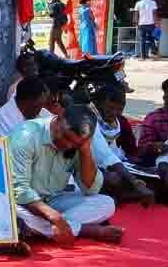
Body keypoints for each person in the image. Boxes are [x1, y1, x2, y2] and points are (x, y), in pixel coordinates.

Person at [8, 104, 122, 244]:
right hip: (24, 204)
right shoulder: (26, 136)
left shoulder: (78, 143)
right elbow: (19, 190)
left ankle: (45, 229)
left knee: (107, 203)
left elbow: (90, 189)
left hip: (55, 200)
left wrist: (85, 150)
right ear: (59, 119)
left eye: (75, 143)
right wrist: (54, 217)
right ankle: (82, 230)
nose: (68, 145)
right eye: (66, 137)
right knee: (11, 213)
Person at [88, 84, 153, 205]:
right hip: (88, 166)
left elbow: (131, 151)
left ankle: (121, 195)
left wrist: (146, 154)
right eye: (110, 108)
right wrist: (135, 182)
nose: (114, 113)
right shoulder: (87, 119)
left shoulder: (121, 122)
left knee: (153, 173)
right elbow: (106, 156)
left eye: (119, 109)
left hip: (116, 164)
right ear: (99, 103)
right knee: (113, 179)